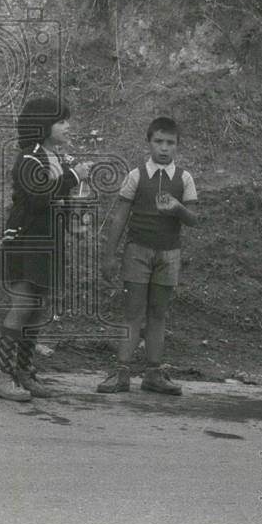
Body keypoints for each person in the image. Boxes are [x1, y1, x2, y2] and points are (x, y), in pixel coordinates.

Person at [0, 97, 92, 401]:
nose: (67, 126)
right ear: (42, 126)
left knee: (37, 309)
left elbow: (59, 199)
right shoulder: (29, 158)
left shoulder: (57, 157)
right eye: (61, 121)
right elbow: (38, 198)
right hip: (27, 240)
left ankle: (22, 370)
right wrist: (73, 178)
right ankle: (2, 376)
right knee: (22, 306)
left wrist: (76, 213)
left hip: (49, 241)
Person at [96, 117, 199, 396]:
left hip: (169, 255)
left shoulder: (184, 178)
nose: (164, 148)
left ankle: (153, 373)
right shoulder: (137, 175)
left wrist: (178, 208)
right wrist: (110, 255)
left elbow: (194, 219)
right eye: (159, 142)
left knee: (158, 313)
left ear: (178, 146)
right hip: (137, 251)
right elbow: (120, 216)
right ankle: (122, 372)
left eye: (170, 143)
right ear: (149, 142)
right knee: (133, 312)